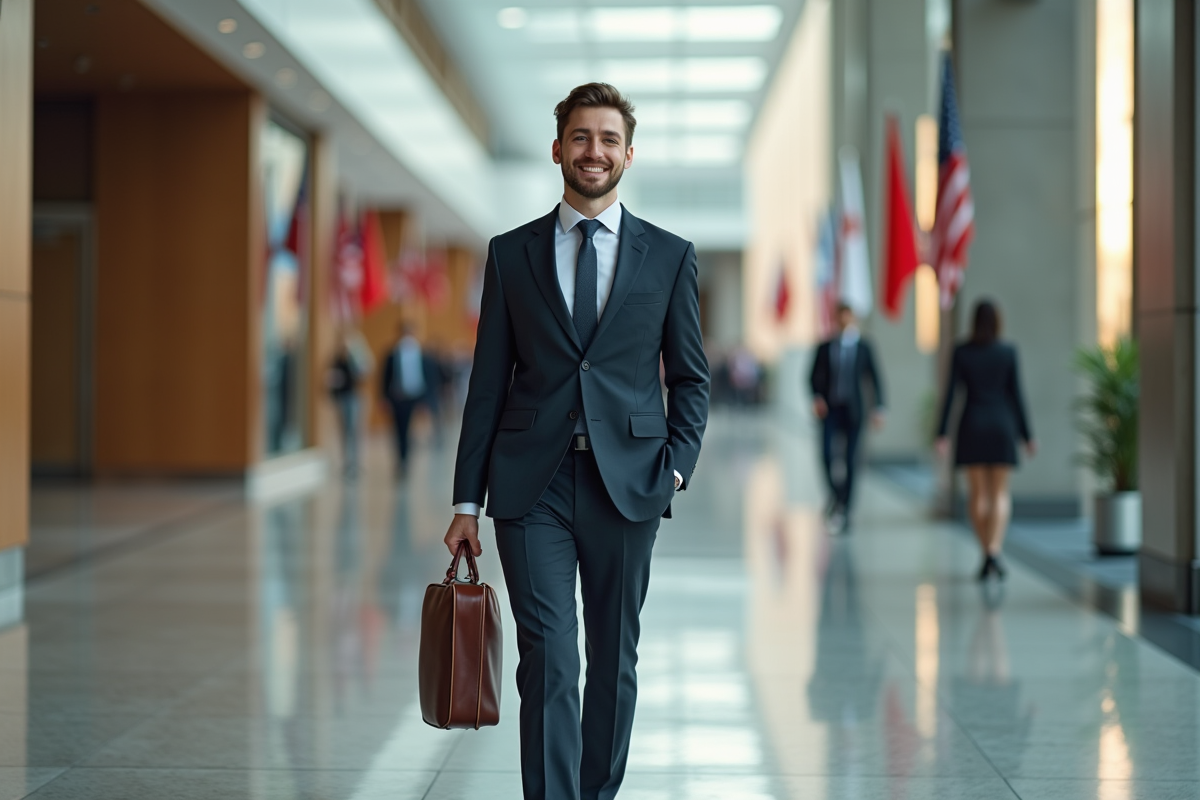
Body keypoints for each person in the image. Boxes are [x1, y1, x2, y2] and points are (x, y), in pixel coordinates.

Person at [443, 83, 709, 800]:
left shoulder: (670, 256)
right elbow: (488, 386)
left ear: (629, 153)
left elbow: (691, 379)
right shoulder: (510, 255)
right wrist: (467, 501)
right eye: (582, 138)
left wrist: (675, 472)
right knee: (552, 661)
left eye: (609, 139)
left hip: (631, 487)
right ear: (558, 148)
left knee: (614, 662)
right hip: (532, 488)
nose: (595, 152)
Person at [935, 299, 1036, 580]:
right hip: (1002, 424)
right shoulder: (1008, 352)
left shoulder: (962, 352)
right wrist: (1028, 436)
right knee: (1000, 493)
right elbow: (1017, 395)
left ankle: (985, 552)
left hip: (973, 424)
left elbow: (950, 395)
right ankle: (995, 550)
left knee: (978, 494)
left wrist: (941, 433)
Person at [808, 302, 885, 532]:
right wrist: (817, 397)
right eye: (840, 316)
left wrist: (879, 407)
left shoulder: (864, 347)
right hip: (830, 410)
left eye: (848, 316)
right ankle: (836, 494)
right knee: (826, 455)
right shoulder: (825, 346)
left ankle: (845, 508)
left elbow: (875, 378)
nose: (844, 320)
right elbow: (813, 377)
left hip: (854, 411)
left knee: (851, 460)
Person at [381, 324, 429, 476]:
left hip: (412, 397)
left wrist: (423, 400)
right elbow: (384, 378)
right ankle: (400, 460)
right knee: (398, 430)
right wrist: (384, 398)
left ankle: (406, 459)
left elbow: (425, 377)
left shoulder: (420, 353)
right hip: (397, 397)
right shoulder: (392, 354)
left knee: (408, 430)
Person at [327, 331, 372, 477]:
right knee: (345, 431)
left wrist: (355, 354)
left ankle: (356, 461)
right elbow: (330, 378)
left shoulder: (356, 358)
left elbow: (365, 371)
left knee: (354, 430)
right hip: (342, 398)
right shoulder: (337, 359)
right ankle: (347, 461)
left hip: (354, 398)